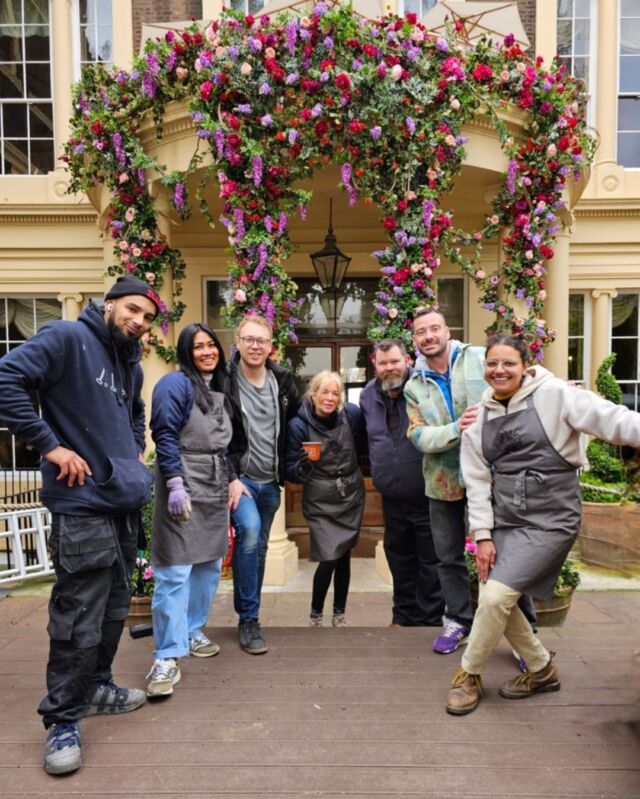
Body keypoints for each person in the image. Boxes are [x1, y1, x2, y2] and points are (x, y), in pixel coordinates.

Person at [0, 275, 160, 775]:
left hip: (121, 502)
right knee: (78, 615)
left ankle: (97, 686)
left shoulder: (129, 362)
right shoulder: (67, 337)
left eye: (148, 317)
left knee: (115, 607)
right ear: (109, 304)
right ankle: (63, 721)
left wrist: (134, 452)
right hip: (81, 505)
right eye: (133, 310)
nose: (139, 322)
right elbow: (6, 378)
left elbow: (137, 412)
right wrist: (49, 444)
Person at [445, 335, 640, 715]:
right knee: (498, 598)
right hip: (506, 520)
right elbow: (478, 482)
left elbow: (611, 417)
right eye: (492, 364)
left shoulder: (554, 395)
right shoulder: (477, 419)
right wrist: (482, 535)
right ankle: (540, 669)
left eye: (508, 363)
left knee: (497, 597)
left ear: (525, 365)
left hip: (552, 518)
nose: (499, 371)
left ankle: (468, 673)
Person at [404, 308, 537, 655]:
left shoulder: (480, 358)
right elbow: (418, 435)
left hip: (495, 479)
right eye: (421, 332)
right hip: (443, 481)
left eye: (434, 328)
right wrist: (454, 429)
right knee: (447, 558)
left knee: (508, 557)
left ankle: (528, 637)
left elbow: (521, 377)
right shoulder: (413, 386)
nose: (429, 336)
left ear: (448, 331)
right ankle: (459, 620)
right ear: (415, 340)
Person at [145, 323, 247, 698]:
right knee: (174, 569)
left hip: (215, 481)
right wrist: (173, 482)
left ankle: (191, 629)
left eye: (211, 345)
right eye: (198, 346)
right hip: (184, 478)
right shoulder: (175, 385)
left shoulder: (219, 388)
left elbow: (226, 446)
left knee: (207, 564)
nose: (206, 351)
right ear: (186, 351)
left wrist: (233, 478)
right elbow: (165, 434)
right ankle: (166, 655)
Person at [227, 314, 300, 654]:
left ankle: (249, 615)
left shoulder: (282, 382)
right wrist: (229, 477)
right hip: (239, 482)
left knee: (258, 549)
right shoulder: (223, 381)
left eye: (261, 340)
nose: (255, 346)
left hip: (270, 483)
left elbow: (301, 421)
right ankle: (249, 619)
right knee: (251, 534)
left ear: (270, 346)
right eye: (249, 339)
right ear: (238, 343)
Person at [359, 339, 444, 627]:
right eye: (383, 363)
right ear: (375, 364)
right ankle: (403, 616)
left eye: (394, 361)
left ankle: (430, 620)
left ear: (407, 360)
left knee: (430, 561)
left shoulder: (422, 388)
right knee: (399, 559)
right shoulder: (368, 395)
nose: (389, 368)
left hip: (427, 493)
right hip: (392, 497)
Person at [285, 371, 366, 626]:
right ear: (313, 394)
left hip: (350, 494)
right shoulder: (298, 425)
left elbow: (363, 447)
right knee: (329, 555)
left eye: (335, 393)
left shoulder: (351, 415)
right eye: (325, 392)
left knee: (344, 555)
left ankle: (339, 614)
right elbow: (289, 470)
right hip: (320, 499)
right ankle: (316, 614)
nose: (330, 398)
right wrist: (301, 467)